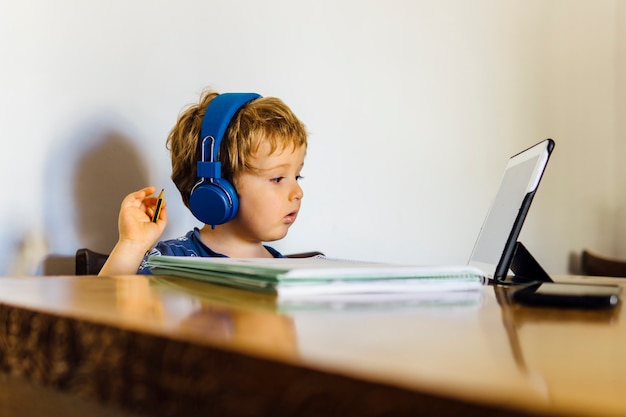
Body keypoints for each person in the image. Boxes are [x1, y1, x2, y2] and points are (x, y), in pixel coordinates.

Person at [98, 89, 307, 276]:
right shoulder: (170, 263)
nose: (297, 192)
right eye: (277, 178)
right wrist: (132, 244)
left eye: (297, 177)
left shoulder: (287, 273)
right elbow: (105, 308)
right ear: (216, 187)